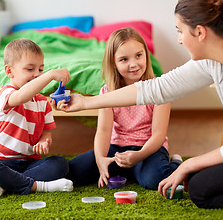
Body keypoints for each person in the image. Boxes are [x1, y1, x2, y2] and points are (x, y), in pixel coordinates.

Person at [55, 0, 223, 209]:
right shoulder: (209, 62)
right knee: (200, 188)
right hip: (120, 150)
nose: (179, 40)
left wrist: (183, 167)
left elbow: (157, 106)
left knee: (193, 186)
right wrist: (86, 103)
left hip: (149, 152)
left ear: (200, 32)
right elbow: (157, 88)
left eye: (180, 31)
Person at [66, 28, 182, 190]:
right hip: (116, 150)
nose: (133, 64)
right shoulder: (107, 92)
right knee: (73, 172)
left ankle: (176, 163)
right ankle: (127, 171)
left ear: (146, 55)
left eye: (138, 56)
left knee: (155, 180)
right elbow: (104, 131)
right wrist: (100, 160)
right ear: (113, 63)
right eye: (124, 59)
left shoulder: (160, 88)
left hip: (148, 149)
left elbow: (158, 135)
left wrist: (139, 156)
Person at [0, 38, 73, 197]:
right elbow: (21, 96)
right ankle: (41, 186)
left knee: (60, 164)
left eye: (41, 69)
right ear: (9, 71)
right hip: (0, 161)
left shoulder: (43, 102)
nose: (37, 74)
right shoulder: (6, 93)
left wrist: (44, 141)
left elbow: (46, 133)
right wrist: (49, 75)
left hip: (29, 164)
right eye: (30, 69)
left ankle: (8, 184)